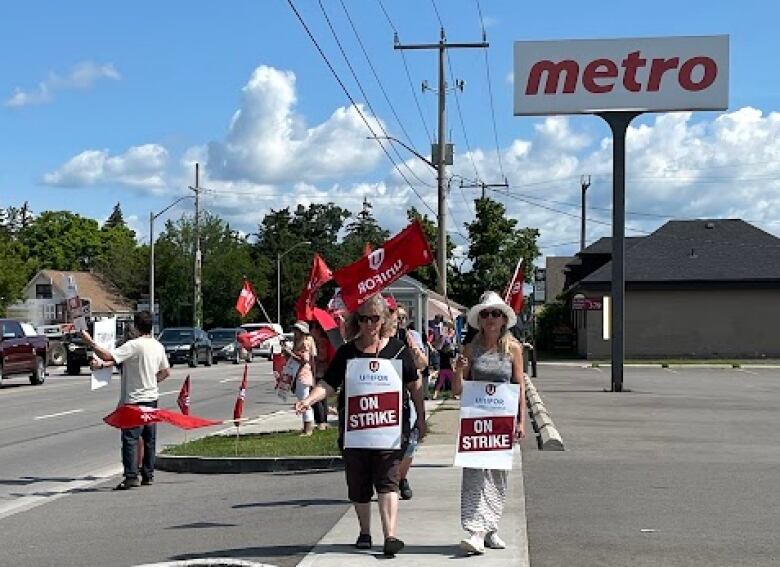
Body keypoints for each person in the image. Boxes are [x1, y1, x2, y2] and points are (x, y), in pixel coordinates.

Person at [295, 294, 426, 557]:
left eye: (375, 318)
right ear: (357, 320)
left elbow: (415, 386)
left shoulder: (399, 350)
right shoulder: (347, 352)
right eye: (364, 318)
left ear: (385, 320)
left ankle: (390, 535)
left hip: (390, 431)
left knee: (389, 481)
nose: (369, 324)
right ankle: (365, 531)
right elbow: (329, 384)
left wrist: (420, 418)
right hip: (356, 431)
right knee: (359, 484)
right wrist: (308, 399)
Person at [452, 291, 526, 554]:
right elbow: (457, 391)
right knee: (473, 475)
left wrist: (521, 422)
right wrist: (459, 369)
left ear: (504, 319)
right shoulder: (470, 349)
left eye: (496, 313)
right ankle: (475, 530)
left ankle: (491, 527)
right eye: (486, 314)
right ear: (480, 320)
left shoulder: (514, 349)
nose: (491, 318)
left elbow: (520, 386)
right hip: (476, 420)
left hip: (502, 422)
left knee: (497, 476)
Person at [81, 311, 170, 490]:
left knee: (130, 438)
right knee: (149, 439)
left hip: (134, 400)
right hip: (152, 398)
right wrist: (151, 382)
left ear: (136, 326)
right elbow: (166, 372)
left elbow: (108, 356)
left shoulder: (134, 345)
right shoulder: (157, 346)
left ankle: (131, 476)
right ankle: (148, 474)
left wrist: (90, 342)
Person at [387, 300, 428, 501]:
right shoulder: (379, 339)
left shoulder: (410, 337)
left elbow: (423, 364)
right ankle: (389, 480)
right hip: (387, 397)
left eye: (403, 318)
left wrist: (415, 351)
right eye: (396, 316)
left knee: (410, 443)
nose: (399, 321)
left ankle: (402, 478)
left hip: (408, 394)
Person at [285, 321, 317, 436]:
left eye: (297, 330)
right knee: (301, 400)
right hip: (298, 374)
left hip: (304, 374)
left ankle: (308, 429)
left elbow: (304, 359)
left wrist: (290, 354)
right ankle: (306, 427)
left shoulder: (306, 342)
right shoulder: (297, 342)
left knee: (304, 401)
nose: (294, 332)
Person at [310, 320, 335, 431]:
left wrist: (313, 357)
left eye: (312, 328)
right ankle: (321, 420)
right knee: (321, 398)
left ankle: (321, 421)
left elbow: (323, 356)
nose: (310, 331)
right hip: (317, 370)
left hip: (321, 370)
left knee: (317, 396)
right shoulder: (315, 341)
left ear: (317, 330)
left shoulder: (322, 341)